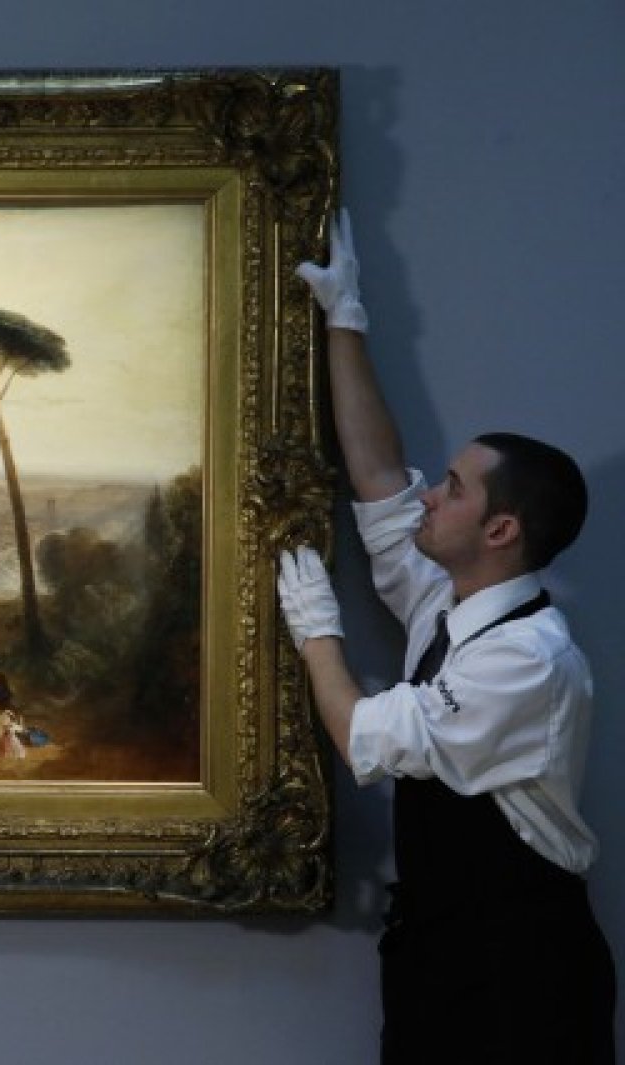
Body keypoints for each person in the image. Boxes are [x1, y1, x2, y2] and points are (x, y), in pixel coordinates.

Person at [277, 210, 615, 1062]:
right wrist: (346, 318)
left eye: (455, 488)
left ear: (501, 530)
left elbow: (364, 734)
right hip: (441, 957)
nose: (432, 495)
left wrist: (319, 631)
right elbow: (379, 477)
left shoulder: (530, 659)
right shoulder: (447, 600)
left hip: (523, 976)